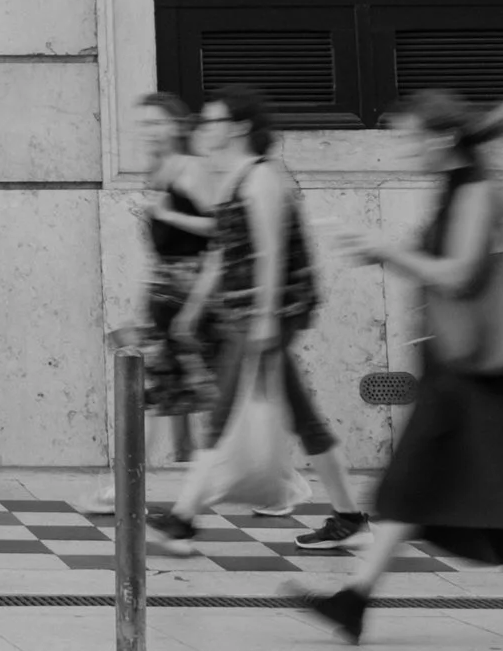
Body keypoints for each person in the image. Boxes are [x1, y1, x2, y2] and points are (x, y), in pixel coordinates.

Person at [301, 84, 503, 651]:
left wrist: (383, 249)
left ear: (443, 138)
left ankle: (354, 601)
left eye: (410, 139)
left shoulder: (477, 190)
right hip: (456, 364)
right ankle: (353, 602)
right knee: (416, 484)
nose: (404, 150)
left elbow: (459, 275)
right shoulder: (456, 185)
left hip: (484, 371)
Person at [155, 85, 364, 555]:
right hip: (245, 313)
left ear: (240, 127)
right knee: (304, 419)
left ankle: (184, 518)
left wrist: (267, 319)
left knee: (223, 413)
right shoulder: (233, 177)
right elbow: (222, 253)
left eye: (212, 121)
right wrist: (192, 311)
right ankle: (349, 516)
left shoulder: (265, 177)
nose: (204, 130)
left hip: (263, 315)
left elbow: (269, 251)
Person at [81, 90, 220, 512]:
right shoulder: (163, 171)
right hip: (166, 298)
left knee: (162, 397)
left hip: (190, 300)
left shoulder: (192, 170)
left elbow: (224, 227)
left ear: (177, 126)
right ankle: (284, 486)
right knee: (166, 397)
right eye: (144, 124)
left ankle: (123, 488)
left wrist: (171, 216)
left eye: (157, 123)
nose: (149, 132)